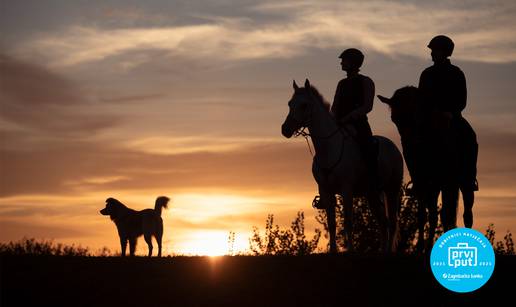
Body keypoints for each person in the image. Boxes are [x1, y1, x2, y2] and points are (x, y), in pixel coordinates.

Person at [418, 35, 478, 229]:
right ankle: (418, 179)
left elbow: (462, 100)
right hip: (431, 118)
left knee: (469, 137)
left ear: (445, 52)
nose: (432, 53)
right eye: (432, 50)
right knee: (415, 142)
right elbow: (422, 98)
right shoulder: (426, 74)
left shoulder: (456, 73)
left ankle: (468, 178)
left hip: (452, 117)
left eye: (435, 50)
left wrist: (451, 113)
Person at [331, 48, 380, 198]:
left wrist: (350, 117)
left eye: (344, 60)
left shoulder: (366, 81)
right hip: (339, 124)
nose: (341, 63)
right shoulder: (341, 84)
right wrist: (333, 120)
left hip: (358, 124)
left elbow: (367, 106)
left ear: (353, 63)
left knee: (368, 148)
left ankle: (373, 184)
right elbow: (335, 106)